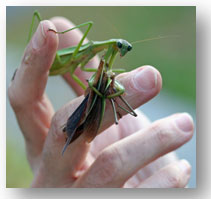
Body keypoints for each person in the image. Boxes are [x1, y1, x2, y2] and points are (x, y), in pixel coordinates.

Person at [8, 17, 194, 188]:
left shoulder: (101, 60)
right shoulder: (90, 49)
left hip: (67, 65)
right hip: (60, 61)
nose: (121, 51)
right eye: (121, 47)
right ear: (115, 45)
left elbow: (86, 73)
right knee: (49, 20)